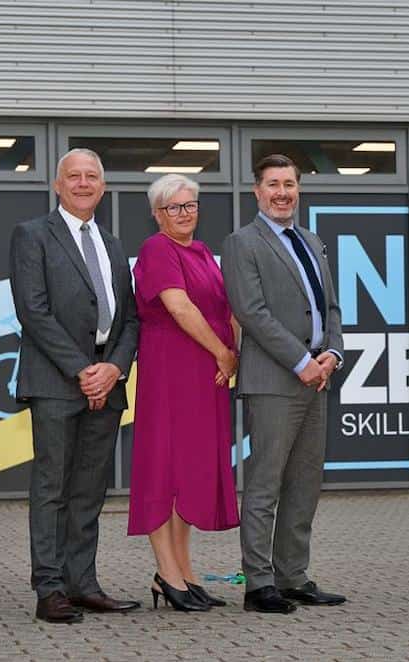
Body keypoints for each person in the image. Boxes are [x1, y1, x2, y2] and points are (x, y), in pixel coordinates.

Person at [8, 148, 140, 623]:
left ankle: (82, 583)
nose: (83, 183)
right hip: (56, 380)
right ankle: (49, 589)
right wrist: (83, 371)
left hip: (107, 381)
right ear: (57, 185)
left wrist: (113, 369)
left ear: (102, 187)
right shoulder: (32, 236)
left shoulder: (113, 242)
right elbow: (33, 312)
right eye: (74, 176)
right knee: (51, 487)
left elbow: (130, 319)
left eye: (92, 177)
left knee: (89, 490)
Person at [221, 154, 346, 615]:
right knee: (265, 484)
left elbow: (330, 307)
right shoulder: (242, 243)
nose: (282, 192)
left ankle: (293, 576)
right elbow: (252, 313)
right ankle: (259, 584)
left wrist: (332, 352)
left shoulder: (311, 241)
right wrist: (300, 361)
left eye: (289, 184)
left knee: (304, 483)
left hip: (318, 379)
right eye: (273, 184)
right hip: (275, 379)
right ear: (257, 191)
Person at [128, 174, 241, 612]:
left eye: (189, 204)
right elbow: (179, 307)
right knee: (163, 468)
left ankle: (185, 573)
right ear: (157, 214)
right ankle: (165, 574)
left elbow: (226, 308)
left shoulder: (201, 253)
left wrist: (230, 353)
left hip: (207, 374)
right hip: (172, 371)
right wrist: (222, 353)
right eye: (173, 207)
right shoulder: (159, 249)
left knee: (186, 473)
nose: (183, 213)